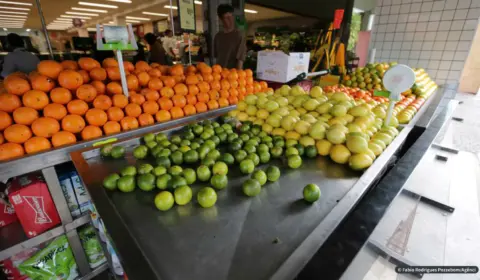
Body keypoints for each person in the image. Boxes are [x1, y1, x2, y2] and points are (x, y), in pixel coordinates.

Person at [214, 4, 246, 69]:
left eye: (231, 16)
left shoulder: (239, 35)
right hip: (218, 75)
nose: (230, 20)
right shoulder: (217, 37)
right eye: (227, 17)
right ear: (221, 19)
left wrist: (238, 76)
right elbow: (217, 57)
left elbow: (240, 59)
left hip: (232, 75)